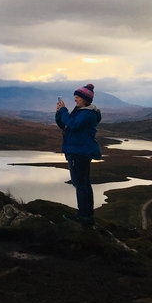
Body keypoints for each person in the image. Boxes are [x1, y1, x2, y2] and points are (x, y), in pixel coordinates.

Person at [55, 83, 102, 226]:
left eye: (77, 97)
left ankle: (83, 215)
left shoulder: (88, 113)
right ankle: (87, 215)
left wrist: (64, 110)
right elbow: (64, 124)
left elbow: (74, 125)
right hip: (77, 151)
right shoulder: (81, 111)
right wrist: (59, 112)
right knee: (84, 184)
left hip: (79, 152)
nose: (75, 100)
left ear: (84, 99)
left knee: (80, 184)